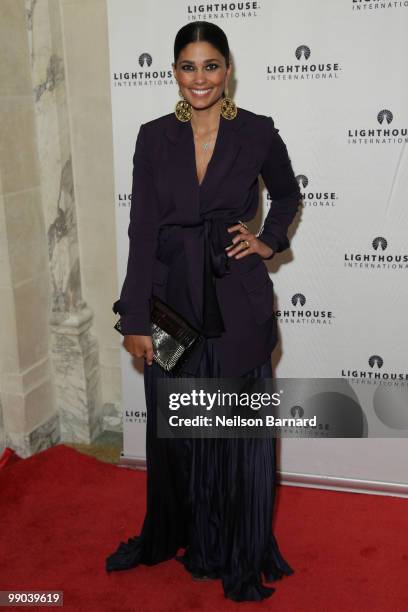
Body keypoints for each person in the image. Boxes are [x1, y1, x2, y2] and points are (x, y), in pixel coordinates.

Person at [106, 21, 301, 603]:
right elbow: (142, 230)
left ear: (227, 69)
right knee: (180, 430)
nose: (200, 78)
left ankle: (237, 547)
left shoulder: (258, 132)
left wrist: (267, 240)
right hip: (169, 301)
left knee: (237, 431)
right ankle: (187, 533)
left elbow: (288, 194)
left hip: (236, 294)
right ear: (174, 71)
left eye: (210, 65)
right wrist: (136, 317)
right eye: (188, 66)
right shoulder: (152, 136)